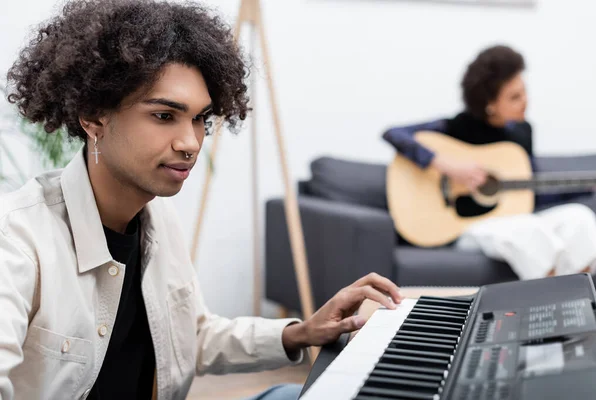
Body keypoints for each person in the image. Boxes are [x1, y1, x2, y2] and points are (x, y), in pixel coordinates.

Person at [0, 1, 404, 399]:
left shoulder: (157, 217)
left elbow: (188, 336)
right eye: (164, 116)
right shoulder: (17, 239)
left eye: (200, 119)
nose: (191, 142)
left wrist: (300, 332)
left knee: (286, 394)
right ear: (93, 117)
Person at [382, 44, 596, 281]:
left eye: (524, 91)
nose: (525, 101)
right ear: (490, 104)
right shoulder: (457, 127)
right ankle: (552, 297)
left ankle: (578, 299)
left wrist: (587, 185)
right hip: (466, 227)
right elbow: (394, 134)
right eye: (515, 97)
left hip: (512, 220)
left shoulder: (521, 133)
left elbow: (529, 189)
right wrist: (447, 165)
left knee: (579, 218)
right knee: (526, 230)